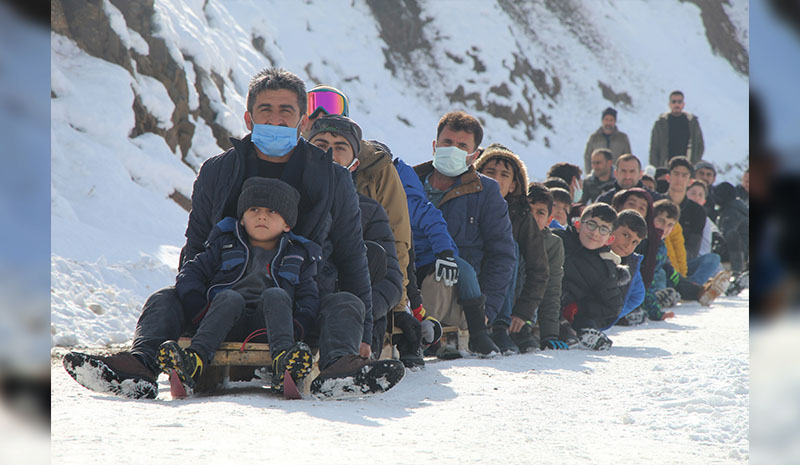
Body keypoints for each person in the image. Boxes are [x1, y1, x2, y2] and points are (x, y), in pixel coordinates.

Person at [62, 68, 405, 399]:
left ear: (303, 121)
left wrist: (363, 334)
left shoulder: (332, 177)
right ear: (248, 118)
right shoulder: (219, 170)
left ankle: (338, 371)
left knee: (345, 302)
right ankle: (138, 367)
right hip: (223, 304)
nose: (275, 120)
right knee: (164, 299)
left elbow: (351, 255)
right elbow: (196, 245)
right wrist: (190, 301)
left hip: (302, 310)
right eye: (264, 110)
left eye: (286, 111)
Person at [160, 178, 319, 396]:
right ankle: (194, 361)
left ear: (287, 224)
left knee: (276, 295)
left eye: (272, 211)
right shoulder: (224, 244)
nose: (261, 216)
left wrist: (298, 327)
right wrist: (199, 310)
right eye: (253, 209)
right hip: (224, 322)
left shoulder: (298, 254)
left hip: (270, 325)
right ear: (242, 219)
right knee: (230, 297)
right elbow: (190, 273)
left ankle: (284, 362)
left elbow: (309, 296)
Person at [303, 85, 417, 357]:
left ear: (354, 160)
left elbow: (396, 251)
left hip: (357, 297)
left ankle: (356, 361)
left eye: (339, 147)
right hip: (302, 301)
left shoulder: (372, 200)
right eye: (321, 145)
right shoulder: (290, 198)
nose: (329, 153)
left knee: (372, 257)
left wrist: (393, 308)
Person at [414, 111, 516, 356]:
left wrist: (486, 310)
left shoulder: (485, 192)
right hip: (408, 284)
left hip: (459, 297)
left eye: (462, 146)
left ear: (474, 156)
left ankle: (425, 340)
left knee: (439, 276)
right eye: (447, 143)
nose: (453, 149)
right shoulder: (409, 183)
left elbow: (502, 255)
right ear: (434, 146)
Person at [475, 144, 549, 354]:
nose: (495, 179)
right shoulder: (468, 205)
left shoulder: (522, 217)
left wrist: (522, 312)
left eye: (504, 175)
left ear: (514, 185)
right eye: (489, 173)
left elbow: (539, 268)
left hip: (508, 292)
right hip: (475, 283)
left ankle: (500, 325)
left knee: (509, 249)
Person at [554, 203, 625, 350]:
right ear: (578, 224)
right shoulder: (557, 240)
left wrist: (578, 308)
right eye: (591, 225)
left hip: (567, 310)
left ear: (610, 239)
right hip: (545, 300)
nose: (595, 233)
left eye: (603, 229)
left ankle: (585, 332)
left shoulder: (604, 267)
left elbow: (612, 306)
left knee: (584, 317)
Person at [665, 157, 721, 285]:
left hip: (684, 261)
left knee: (713, 259)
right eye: (676, 174)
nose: (679, 179)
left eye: (684, 175)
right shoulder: (657, 203)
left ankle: (692, 285)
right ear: (668, 177)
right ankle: (688, 288)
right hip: (661, 260)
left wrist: (678, 263)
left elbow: (693, 248)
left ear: (690, 181)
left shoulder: (697, 211)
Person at [527, 183, 569, 350]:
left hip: (531, 309)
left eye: (540, 213)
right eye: (528, 210)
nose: (532, 217)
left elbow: (552, 289)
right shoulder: (505, 238)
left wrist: (550, 333)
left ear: (549, 220)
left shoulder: (553, 244)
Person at [604, 210, 647, 328]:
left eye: (635, 242)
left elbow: (637, 296)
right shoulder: (594, 247)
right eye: (626, 235)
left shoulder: (630, 263)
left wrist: (612, 316)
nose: (628, 245)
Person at [649, 90, 705, 167]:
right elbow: (654, 148)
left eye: (679, 102)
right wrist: (656, 168)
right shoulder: (661, 124)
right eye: (674, 101)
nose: (676, 104)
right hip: (666, 167)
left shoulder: (692, 123)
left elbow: (700, 145)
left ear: (683, 104)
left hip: (687, 168)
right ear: (669, 104)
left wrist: (694, 163)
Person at [582, 107, 632, 173]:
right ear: (602, 121)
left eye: (611, 120)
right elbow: (587, 157)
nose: (608, 123)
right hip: (598, 176)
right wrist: (589, 174)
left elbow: (628, 158)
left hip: (616, 176)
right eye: (606, 119)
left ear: (615, 121)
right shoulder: (594, 138)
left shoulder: (622, 138)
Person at [596, 153, 660, 205]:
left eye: (632, 171)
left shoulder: (655, 200)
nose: (627, 176)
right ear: (616, 173)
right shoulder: (604, 201)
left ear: (640, 174)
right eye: (623, 171)